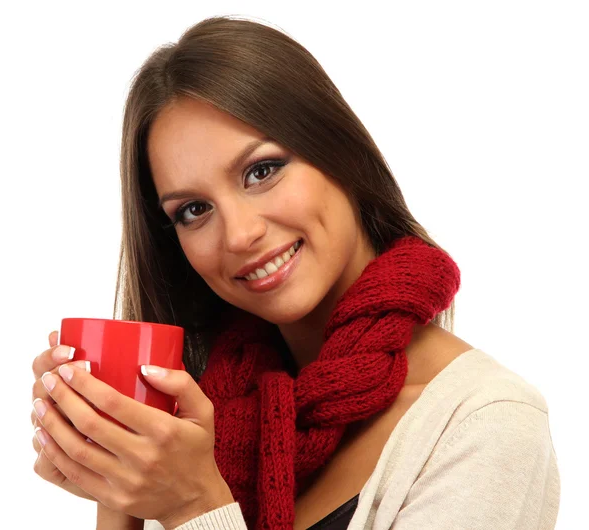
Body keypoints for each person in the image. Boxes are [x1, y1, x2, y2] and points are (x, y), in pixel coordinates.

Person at [30, 15, 560, 530]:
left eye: (261, 171)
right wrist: (118, 482)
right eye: (193, 210)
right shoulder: (213, 414)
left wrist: (194, 507)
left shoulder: (486, 421)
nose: (238, 235)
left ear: (340, 150)